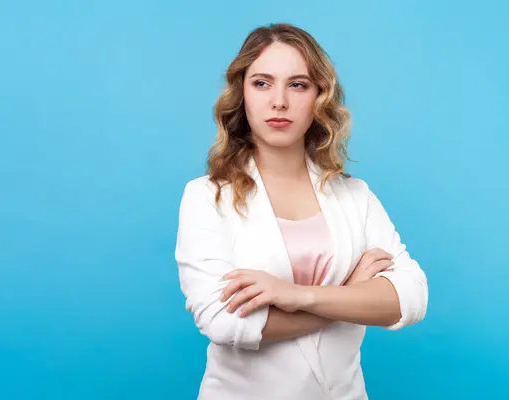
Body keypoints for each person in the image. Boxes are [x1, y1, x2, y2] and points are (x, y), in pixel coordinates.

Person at [174, 23, 428, 400]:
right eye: (262, 83)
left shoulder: (354, 196)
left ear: (319, 97)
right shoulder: (206, 197)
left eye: (298, 84)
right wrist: (350, 295)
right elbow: (224, 321)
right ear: (241, 94)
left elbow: (410, 297)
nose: (279, 101)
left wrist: (298, 296)